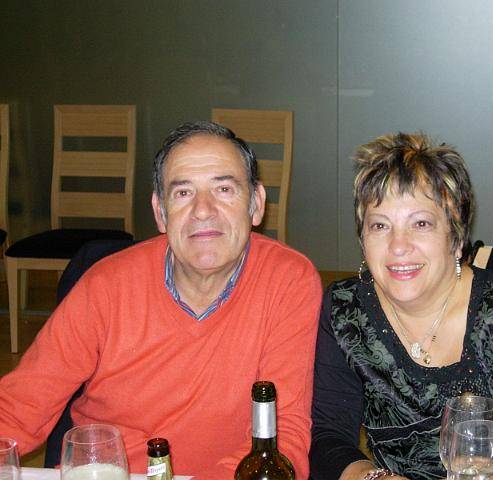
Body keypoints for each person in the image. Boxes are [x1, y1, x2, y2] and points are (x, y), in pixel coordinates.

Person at [0, 121, 322, 478]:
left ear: (256, 204)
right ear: (160, 212)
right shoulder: (106, 285)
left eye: (224, 189)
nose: (203, 210)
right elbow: (20, 405)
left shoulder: (288, 281)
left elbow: (283, 433)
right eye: (183, 193)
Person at [309, 132, 493, 480]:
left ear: (456, 238)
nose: (398, 246)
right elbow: (328, 437)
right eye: (380, 225)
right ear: (362, 240)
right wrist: (375, 477)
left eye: (421, 223)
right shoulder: (345, 311)